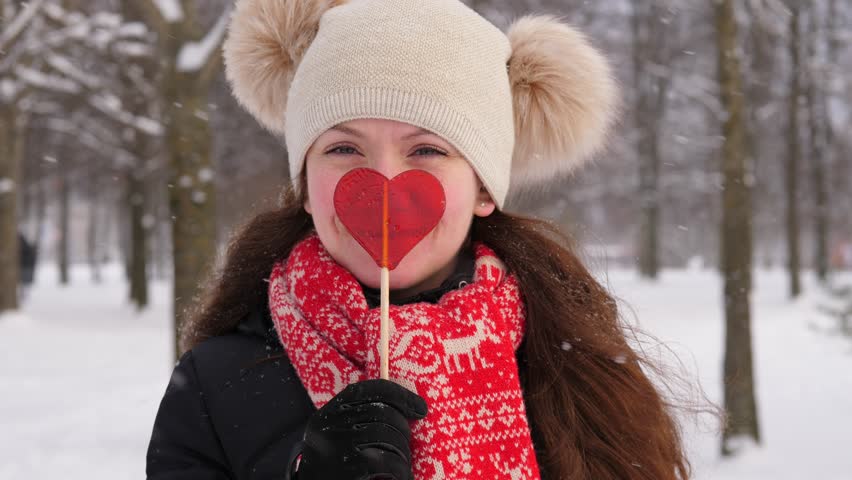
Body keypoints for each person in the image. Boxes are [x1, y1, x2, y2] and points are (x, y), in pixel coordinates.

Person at [147, 0, 692, 478]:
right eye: (343, 149)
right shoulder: (215, 382)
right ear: (306, 188)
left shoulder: (576, 374)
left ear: (484, 189)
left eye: (427, 150)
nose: (384, 183)